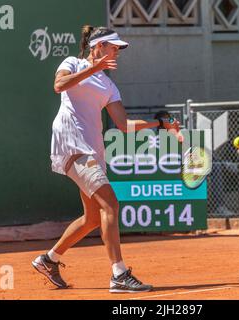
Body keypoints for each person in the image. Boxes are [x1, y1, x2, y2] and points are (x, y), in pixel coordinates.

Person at [32, 25, 180, 292]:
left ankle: (49, 259)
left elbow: (123, 125)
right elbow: (59, 85)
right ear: (97, 46)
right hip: (72, 145)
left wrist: (158, 123)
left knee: (91, 218)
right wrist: (92, 68)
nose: (117, 52)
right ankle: (119, 274)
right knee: (111, 204)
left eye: (118, 49)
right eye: (114, 47)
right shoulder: (73, 63)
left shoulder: (109, 86)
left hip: (93, 150)